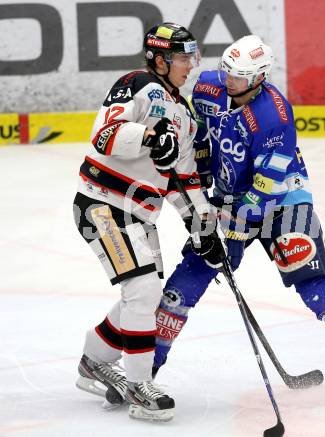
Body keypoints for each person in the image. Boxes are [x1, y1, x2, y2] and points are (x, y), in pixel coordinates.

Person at [152, 35, 325, 397]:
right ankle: (145, 368)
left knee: (315, 286)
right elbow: (199, 139)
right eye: (226, 71)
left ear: (259, 77)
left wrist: (232, 223)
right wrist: (201, 190)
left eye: (240, 76)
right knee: (187, 280)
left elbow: (267, 184)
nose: (229, 80)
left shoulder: (275, 116)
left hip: (284, 201)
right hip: (227, 197)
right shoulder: (206, 89)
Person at [72, 22, 225, 422]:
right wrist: (148, 136)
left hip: (139, 215)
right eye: (181, 57)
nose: (190, 65)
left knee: (144, 295)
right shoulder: (135, 84)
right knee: (142, 289)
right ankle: (140, 386)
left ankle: (94, 360)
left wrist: (203, 227)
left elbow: (184, 179)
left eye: (192, 56)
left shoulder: (185, 117)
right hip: (101, 205)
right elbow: (104, 136)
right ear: (159, 59)